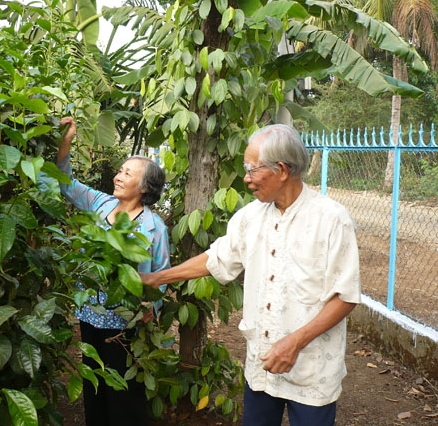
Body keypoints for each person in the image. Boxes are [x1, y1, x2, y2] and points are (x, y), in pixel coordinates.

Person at [141, 124, 361, 426]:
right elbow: (217, 258)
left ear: (282, 169)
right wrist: (158, 278)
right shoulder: (250, 217)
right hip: (262, 365)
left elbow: (345, 296)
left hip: (313, 370)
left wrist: (295, 342)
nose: (246, 179)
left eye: (251, 169)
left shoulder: (332, 220)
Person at [56, 116, 170, 426]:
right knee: (94, 389)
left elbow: (161, 273)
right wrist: (66, 140)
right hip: (90, 316)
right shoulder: (99, 204)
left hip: (125, 324)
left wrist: (151, 305)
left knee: (124, 395)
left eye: (127, 173)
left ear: (144, 186)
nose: (118, 176)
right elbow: (63, 182)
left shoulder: (153, 227)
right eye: (120, 171)